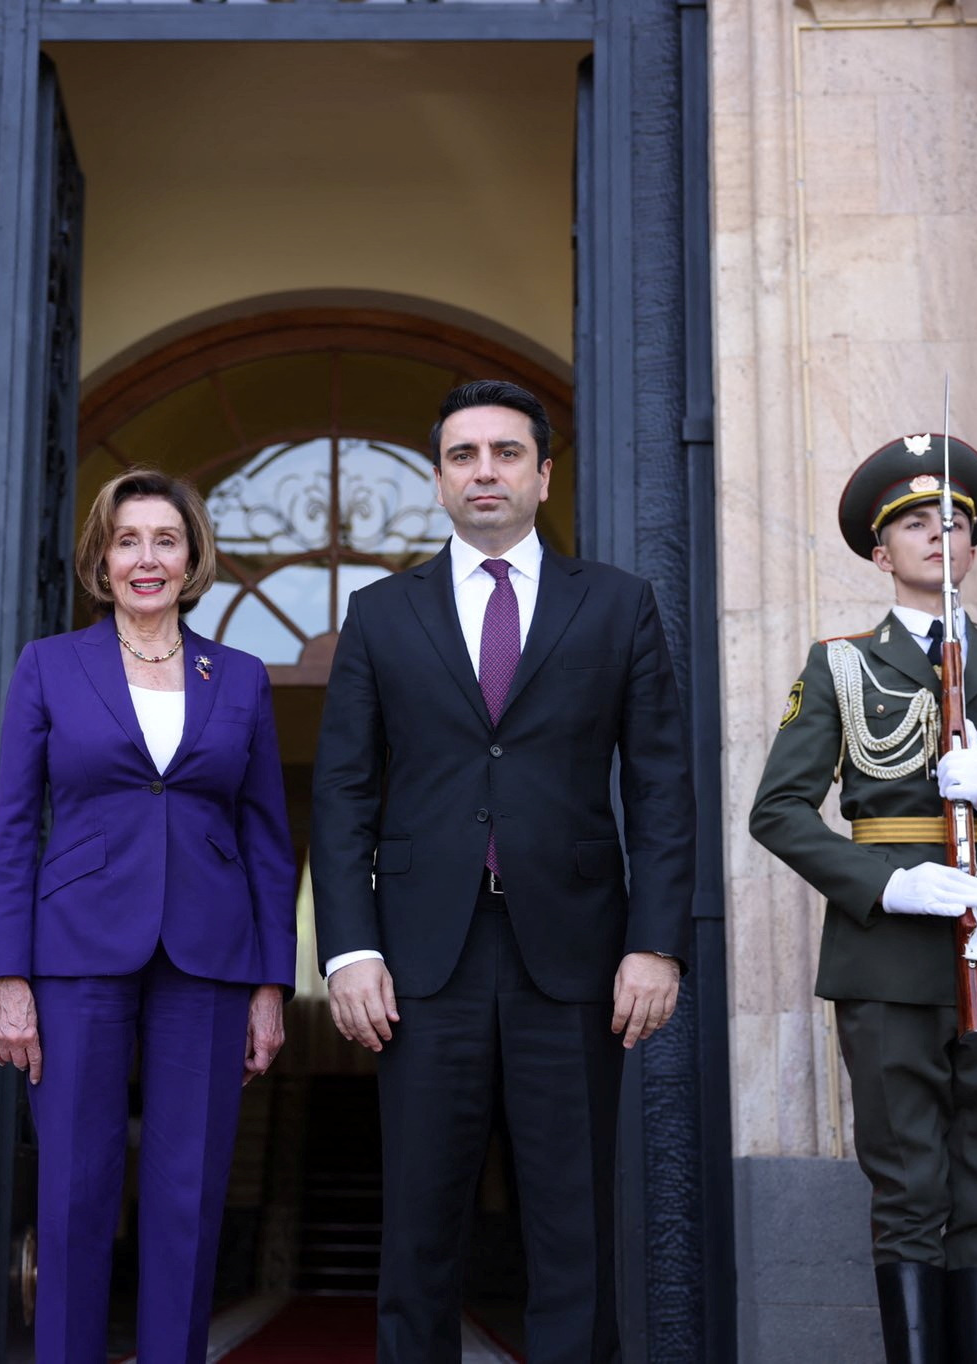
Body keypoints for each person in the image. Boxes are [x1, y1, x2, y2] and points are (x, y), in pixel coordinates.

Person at [311, 380, 697, 1364]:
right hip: (418, 961)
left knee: (573, 1224)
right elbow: (342, 792)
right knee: (418, 1225)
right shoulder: (379, 613)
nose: (484, 471)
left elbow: (659, 786)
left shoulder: (616, 604)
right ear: (439, 479)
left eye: (505, 452)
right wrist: (348, 948)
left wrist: (655, 943)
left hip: (572, 955)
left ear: (543, 474)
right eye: (462, 455)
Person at [749, 433, 977, 1364]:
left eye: (954, 522)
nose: (938, 535)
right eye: (915, 523)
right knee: (908, 1187)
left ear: (975, 546)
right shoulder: (840, 666)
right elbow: (778, 812)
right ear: (882, 552)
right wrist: (888, 883)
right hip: (887, 952)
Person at [0, 468, 298, 1364]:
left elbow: (269, 842)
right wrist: (8, 975)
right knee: (74, 1191)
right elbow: (14, 829)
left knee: (187, 1195)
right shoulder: (49, 666)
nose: (147, 559)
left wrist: (272, 984)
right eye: (128, 541)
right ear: (102, 558)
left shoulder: (240, 677)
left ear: (192, 558)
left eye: (166, 540)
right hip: (75, 953)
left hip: (212, 957)